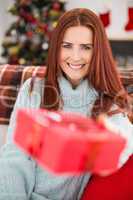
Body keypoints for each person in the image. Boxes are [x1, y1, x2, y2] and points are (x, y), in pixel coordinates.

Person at [0, 8, 133, 200]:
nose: (75, 56)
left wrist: (108, 135)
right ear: (57, 47)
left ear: (97, 51)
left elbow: (125, 141)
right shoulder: (33, 89)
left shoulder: (108, 102)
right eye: (67, 46)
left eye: (86, 47)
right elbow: (16, 157)